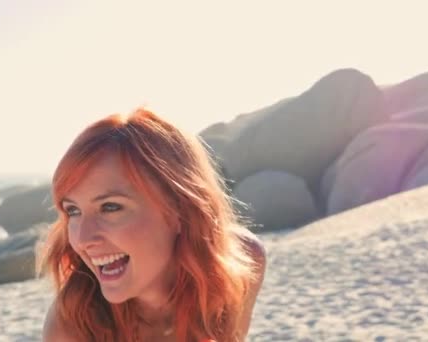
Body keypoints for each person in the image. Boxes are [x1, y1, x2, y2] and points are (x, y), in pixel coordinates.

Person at [38, 108, 266, 341]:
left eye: (110, 207)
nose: (83, 240)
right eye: (73, 211)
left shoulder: (241, 265)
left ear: (180, 209)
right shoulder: (71, 328)